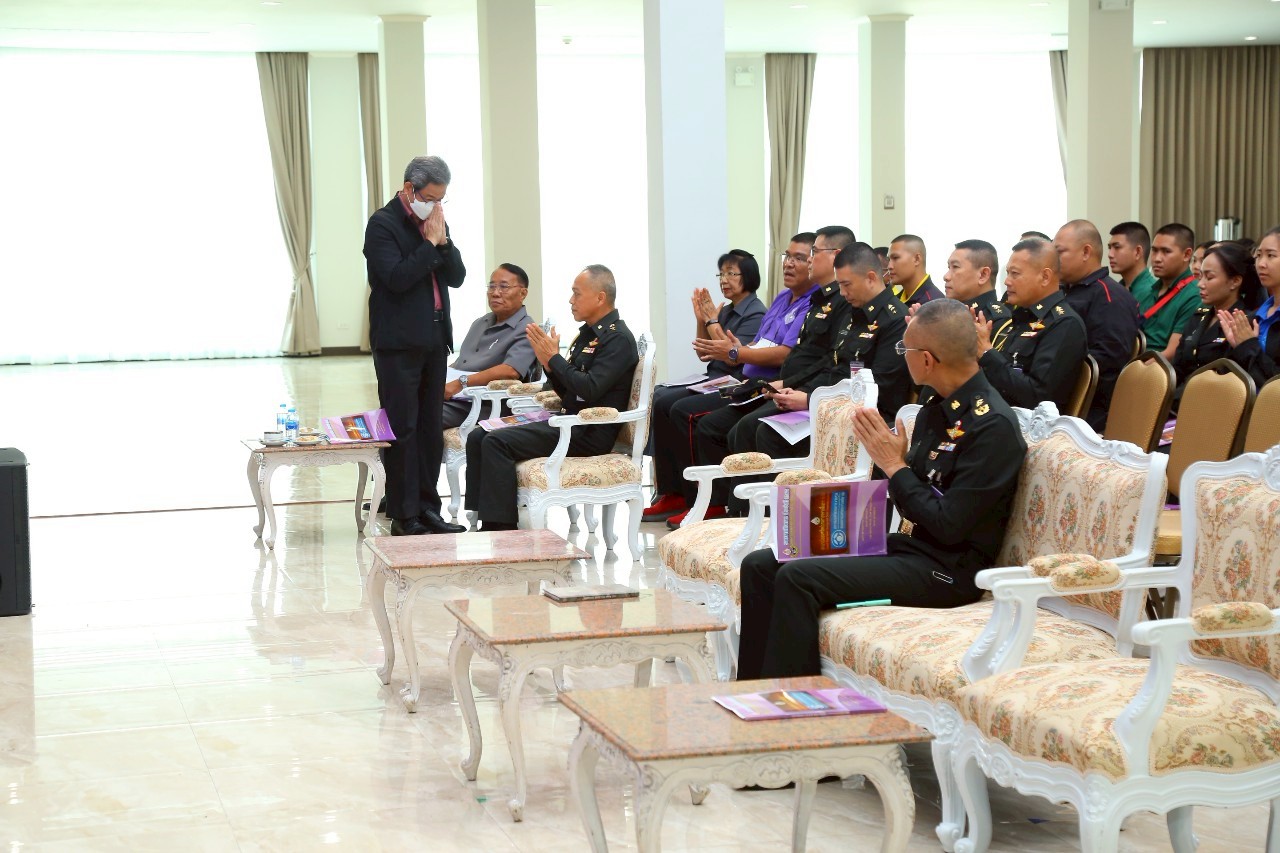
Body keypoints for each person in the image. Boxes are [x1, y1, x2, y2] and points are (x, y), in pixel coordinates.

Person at [736, 299, 1027, 679]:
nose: (902, 355)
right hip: (914, 549)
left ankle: (796, 704)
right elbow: (914, 501)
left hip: (949, 572)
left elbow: (949, 526)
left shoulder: (991, 426)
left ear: (927, 360)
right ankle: (752, 691)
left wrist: (895, 465)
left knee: (799, 578)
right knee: (760, 564)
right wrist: (896, 467)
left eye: (906, 349)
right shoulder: (937, 408)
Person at [678, 225, 856, 527]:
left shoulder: (835, 303)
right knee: (703, 416)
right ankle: (735, 515)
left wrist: (799, 391)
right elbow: (751, 349)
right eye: (788, 256)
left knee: (746, 428)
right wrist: (712, 326)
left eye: (806, 255)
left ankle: (753, 520)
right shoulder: (802, 300)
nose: (792, 263)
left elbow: (818, 361)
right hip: (776, 383)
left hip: (802, 391)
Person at [464, 265, 637, 531]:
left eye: (577, 294)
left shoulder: (617, 339)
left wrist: (554, 359)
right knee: (480, 435)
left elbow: (589, 389)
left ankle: (500, 530)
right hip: (568, 421)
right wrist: (549, 366)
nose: (571, 300)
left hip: (588, 431)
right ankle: (481, 519)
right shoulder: (588, 335)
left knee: (497, 442)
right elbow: (569, 392)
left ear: (600, 298)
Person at [364, 155, 468, 536]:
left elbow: (456, 276)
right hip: (398, 345)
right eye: (430, 198)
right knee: (403, 429)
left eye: (441, 199)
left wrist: (443, 243)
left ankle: (428, 509)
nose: (436, 205)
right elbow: (395, 278)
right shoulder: (383, 224)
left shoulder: (436, 222)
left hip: (434, 341)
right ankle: (404, 515)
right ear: (410, 189)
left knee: (428, 429)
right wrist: (428, 244)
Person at [754, 242, 910, 458]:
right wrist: (798, 388)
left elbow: (880, 388)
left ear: (871, 278)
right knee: (755, 426)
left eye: (846, 285)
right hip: (831, 403)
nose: (842, 293)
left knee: (768, 435)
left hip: (866, 416)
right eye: (840, 285)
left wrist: (811, 400)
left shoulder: (895, 320)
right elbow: (831, 364)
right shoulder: (854, 312)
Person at [643, 250, 767, 521]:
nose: (724, 280)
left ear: (748, 276)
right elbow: (704, 352)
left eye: (731, 273)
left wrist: (712, 320)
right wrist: (702, 319)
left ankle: (702, 499)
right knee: (661, 398)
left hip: (736, 381)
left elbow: (733, 357)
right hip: (714, 377)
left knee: (682, 410)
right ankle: (672, 491)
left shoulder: (756, 313)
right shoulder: (726, 310)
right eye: (721, 274)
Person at [976, 237, 1088, 411]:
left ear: (1045, 277)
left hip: (1024, 423)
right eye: (1008, 273)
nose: (1007, 281)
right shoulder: (1023, 317)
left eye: (1015, 274)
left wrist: (987, 353)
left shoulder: (1064, 324)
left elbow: (1039, 398)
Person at [1053, 220, 1142, 430]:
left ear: (1086, 252)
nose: (1053, 260)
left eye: (1060, 252)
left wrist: (1051, 368)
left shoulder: (1110, 297)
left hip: (1086, 408)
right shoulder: (1062, 291)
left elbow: (1107, 360)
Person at [442, 263, 539, 429]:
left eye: (504, 287)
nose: (495, 293)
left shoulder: (528, 329)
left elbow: (511, 370)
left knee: (419, 414)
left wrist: (460, 382)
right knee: (404, 404)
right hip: (455, 396)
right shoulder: (480, 323)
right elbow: (461, 363)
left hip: (484, 403)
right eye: (492, 286)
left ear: (523, 293)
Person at [1169, 241, 1262, 403]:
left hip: (1213, 405)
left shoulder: (1243, 323)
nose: (1200, 284)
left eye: (1209, 277)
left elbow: (1230, 380)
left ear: (1235, 281)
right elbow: (1178, 367)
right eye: (1200, 276)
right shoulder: (1199, 315)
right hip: (1180, 401)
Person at [1219, 225, 1280, 387]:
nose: (1261, 264)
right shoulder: (1254, 317)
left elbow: (1275, 385)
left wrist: (1248, 346)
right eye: (1258, 255)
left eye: (1271, 255)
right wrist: (1237, 347)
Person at [1135, 223, 1203, 360]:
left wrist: (1136, 367)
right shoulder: (1147, 291)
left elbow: (1172, 352)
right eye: (1154, 251)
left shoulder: (1195, 294)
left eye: (1166, 251)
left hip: (1159, 367)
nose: (1157, 258)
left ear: (1186, 254)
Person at [943, 239, 1010, 322]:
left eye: (955, 267)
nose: (946, 277)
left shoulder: (997, 321)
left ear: (983, 275)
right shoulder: (949, 314)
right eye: (949, 267)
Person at [886, 234, 944, 308]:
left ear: (917, 259)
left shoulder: (935, 303)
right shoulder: (895, 300)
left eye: (895, 258)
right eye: (889, 260)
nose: (889, 266)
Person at [1107, 221, 1157, 294]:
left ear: (1137, 252)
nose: (1110, 254)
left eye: (1117, 247)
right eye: (1109, 248)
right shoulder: (1114, 291)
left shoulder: (1153, 293)